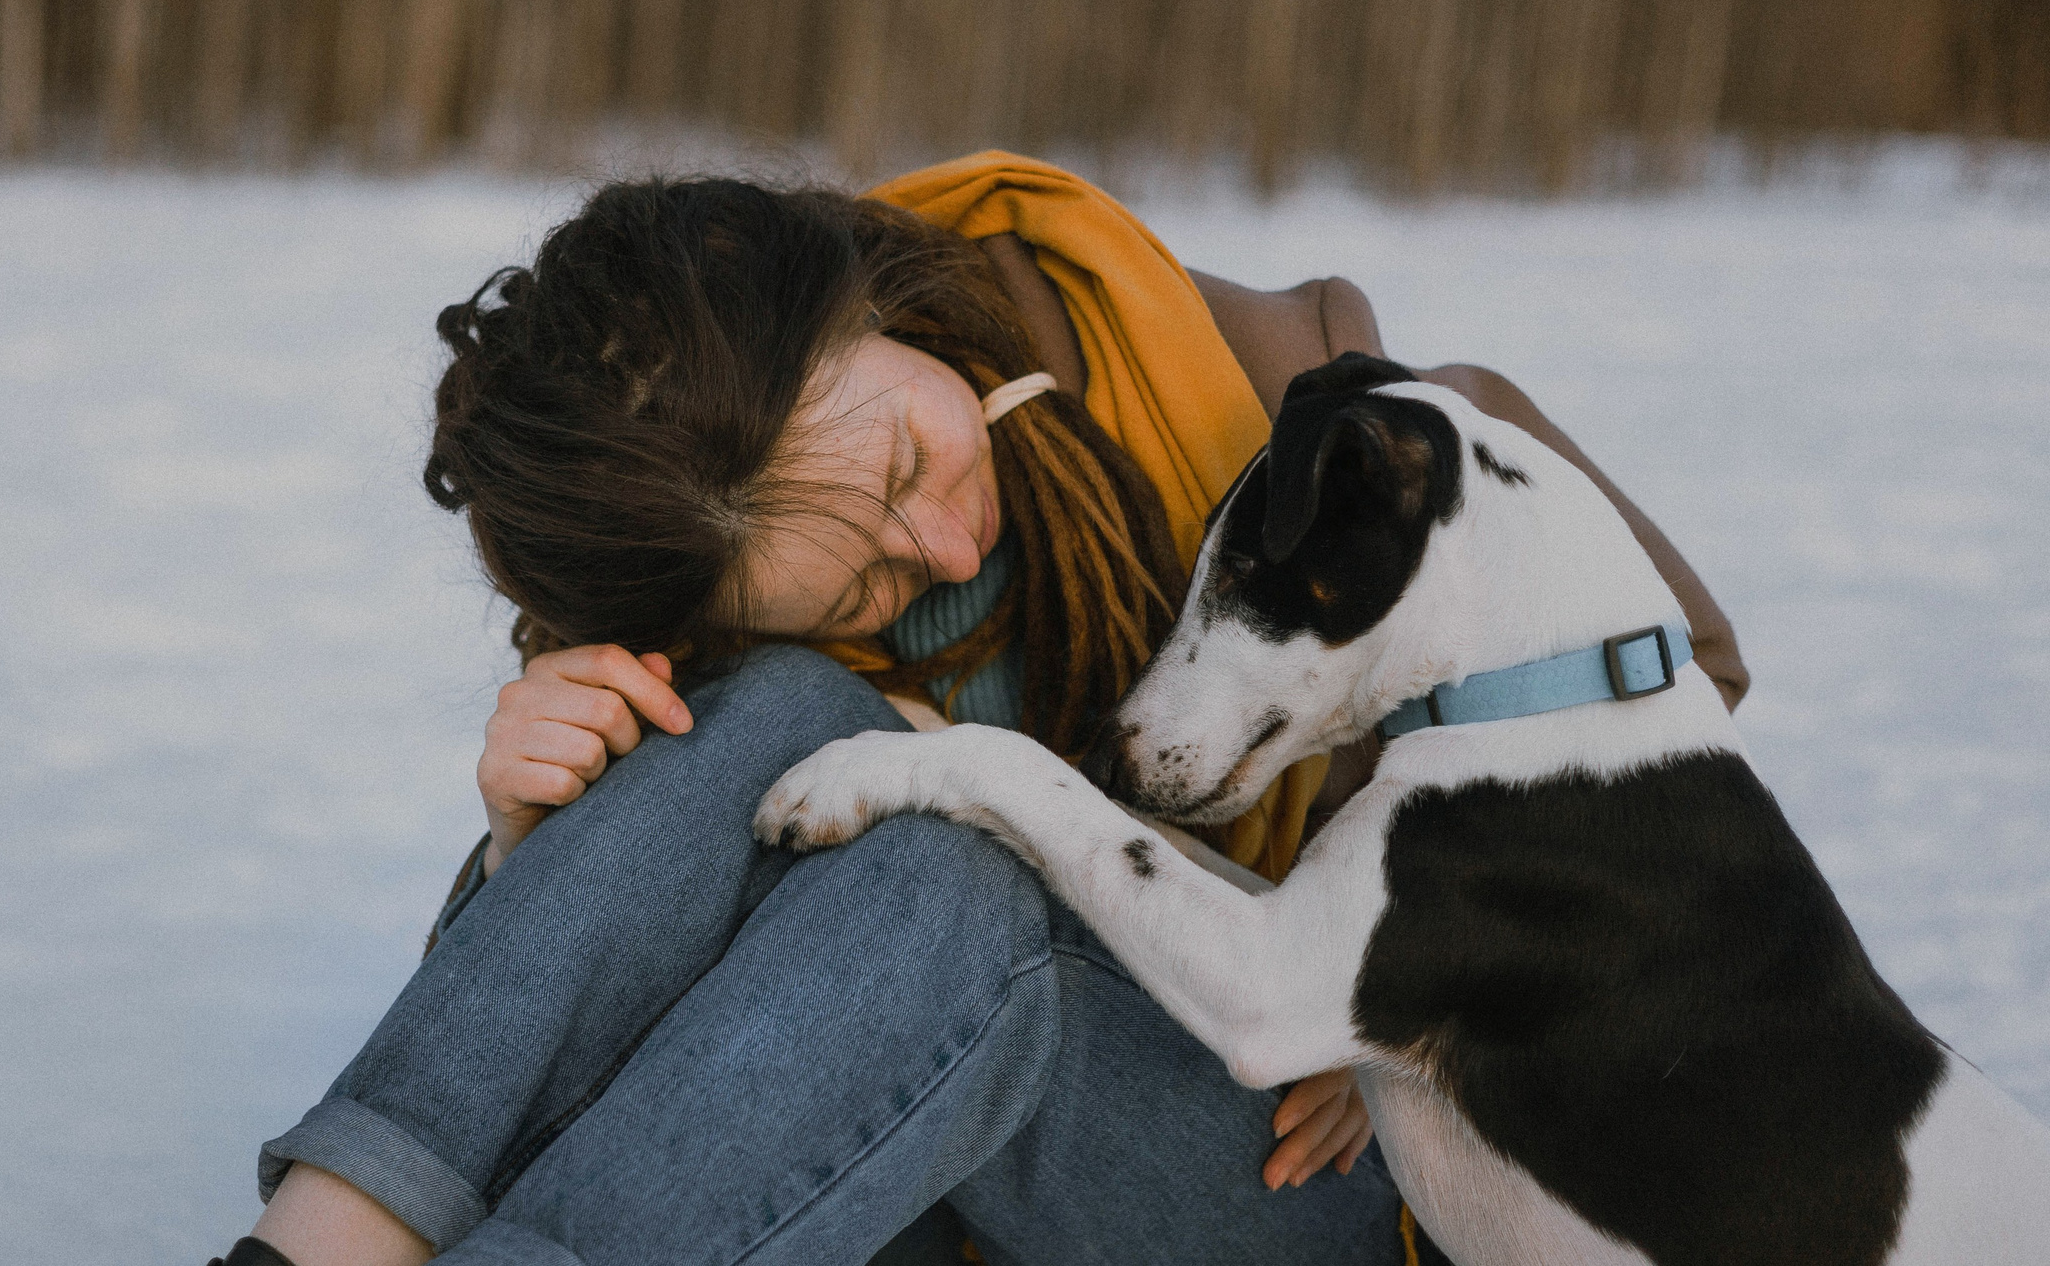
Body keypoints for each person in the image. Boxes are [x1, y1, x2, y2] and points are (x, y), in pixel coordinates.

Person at [212, 153, 1749, 1266]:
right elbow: (610, 1041)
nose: (941, 551)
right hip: (900, 1174)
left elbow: (1681, 683)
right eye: (860, 585)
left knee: (957, 846)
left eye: (899, 473)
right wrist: (522, 840)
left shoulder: (1317, 402)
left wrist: (1402, 971)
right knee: (798, 728)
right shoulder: (718, 605)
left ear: (863, 303)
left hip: (1339, 1176)